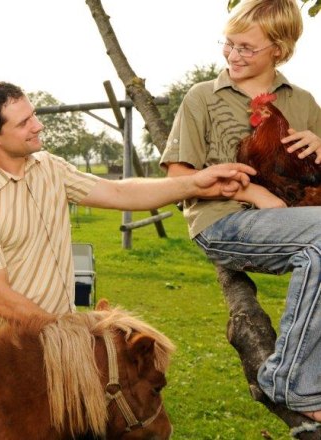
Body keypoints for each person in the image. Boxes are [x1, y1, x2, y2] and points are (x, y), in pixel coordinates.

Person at [0, 81, 255, 337]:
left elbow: (121, 192)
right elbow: (1, 299)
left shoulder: (49, 168)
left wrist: (197, 183)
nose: (38, 125)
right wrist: (67, 330)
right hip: (9, 352)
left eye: (34, 115)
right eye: (24, 123)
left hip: (58, 337)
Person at [159, 0, 321, 421]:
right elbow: (177, 174)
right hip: (222, 221)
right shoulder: (202, 97)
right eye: (228, 44)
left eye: (247, 48)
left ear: (279, 50)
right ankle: (290, 382)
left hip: (290, 223)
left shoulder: (302, 101)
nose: (233, 55)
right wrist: (252, 193)